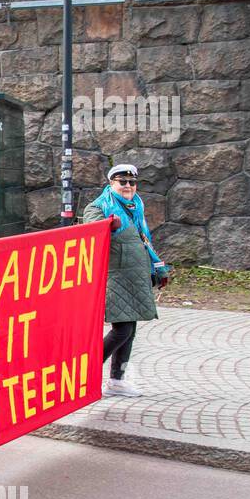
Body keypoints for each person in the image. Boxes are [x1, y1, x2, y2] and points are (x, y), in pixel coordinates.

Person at [82, 163, 169, 398]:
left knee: (130, 331)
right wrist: (107, 226)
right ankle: (84, 372)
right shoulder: (99, 206)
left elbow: (144, 241)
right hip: (115, 277)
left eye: (132, 182)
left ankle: (116, 381)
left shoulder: (136, 206)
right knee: (122, 330)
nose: (128, 186)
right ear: (111, 184)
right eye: (122, 182)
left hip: (135, 276)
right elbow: (88, 230)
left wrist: (158, 268)